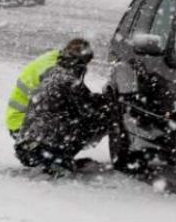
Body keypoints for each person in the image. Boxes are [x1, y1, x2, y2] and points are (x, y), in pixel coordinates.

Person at [12, 39, 110, 175]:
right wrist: (111, 101)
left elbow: (83, 98)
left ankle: (55, 156)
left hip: (26, 142)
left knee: (72, 116)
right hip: (36, 146)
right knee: (99, 118)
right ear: (81, 61)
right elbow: (88, 106)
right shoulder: (67, 80)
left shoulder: (56, 72)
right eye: (87, 62)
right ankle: (58, 159)